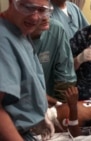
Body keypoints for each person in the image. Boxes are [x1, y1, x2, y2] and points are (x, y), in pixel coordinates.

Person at [0, 0, 54, 140]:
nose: (35, 17)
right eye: (28, 7)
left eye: (42, 10)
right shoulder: (3, 40)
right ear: (12, 2)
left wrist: (37, 116)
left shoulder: (20, 32)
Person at [31, 16, 76, 104]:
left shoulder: (56, 30)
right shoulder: (7, 36)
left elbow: (66, 77)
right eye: (39, 9)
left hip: (47, 99)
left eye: (46, 9)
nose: (44, 16)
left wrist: (61, 107)